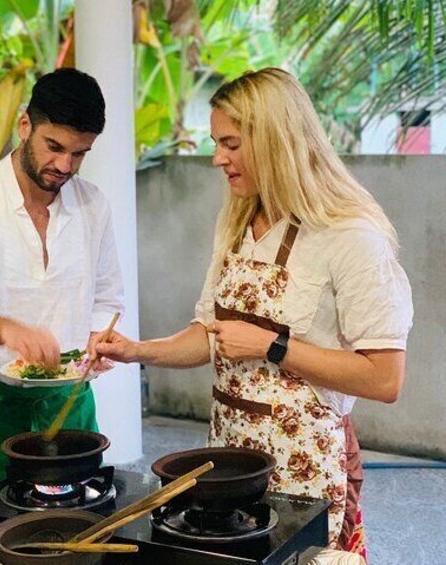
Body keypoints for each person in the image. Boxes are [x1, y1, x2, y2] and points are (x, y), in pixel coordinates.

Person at [95, 68, 412, 558]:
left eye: (231, 143)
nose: (218, 158)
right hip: (229, 459)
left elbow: (384, 379)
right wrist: (136, 351)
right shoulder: (239, 222)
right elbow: (209, 333)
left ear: (275, 140)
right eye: (216, 142)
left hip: (306, 462)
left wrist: (272, 345)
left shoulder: (350, 237)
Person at [0, 68, 124, 506]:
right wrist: (6, 329)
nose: (64, 166)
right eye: (53, 147)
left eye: (79, 154)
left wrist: (99, 336)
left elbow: (107, 296)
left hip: (66, 399)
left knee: (74, 525)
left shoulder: (93, 205)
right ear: (25, 125)